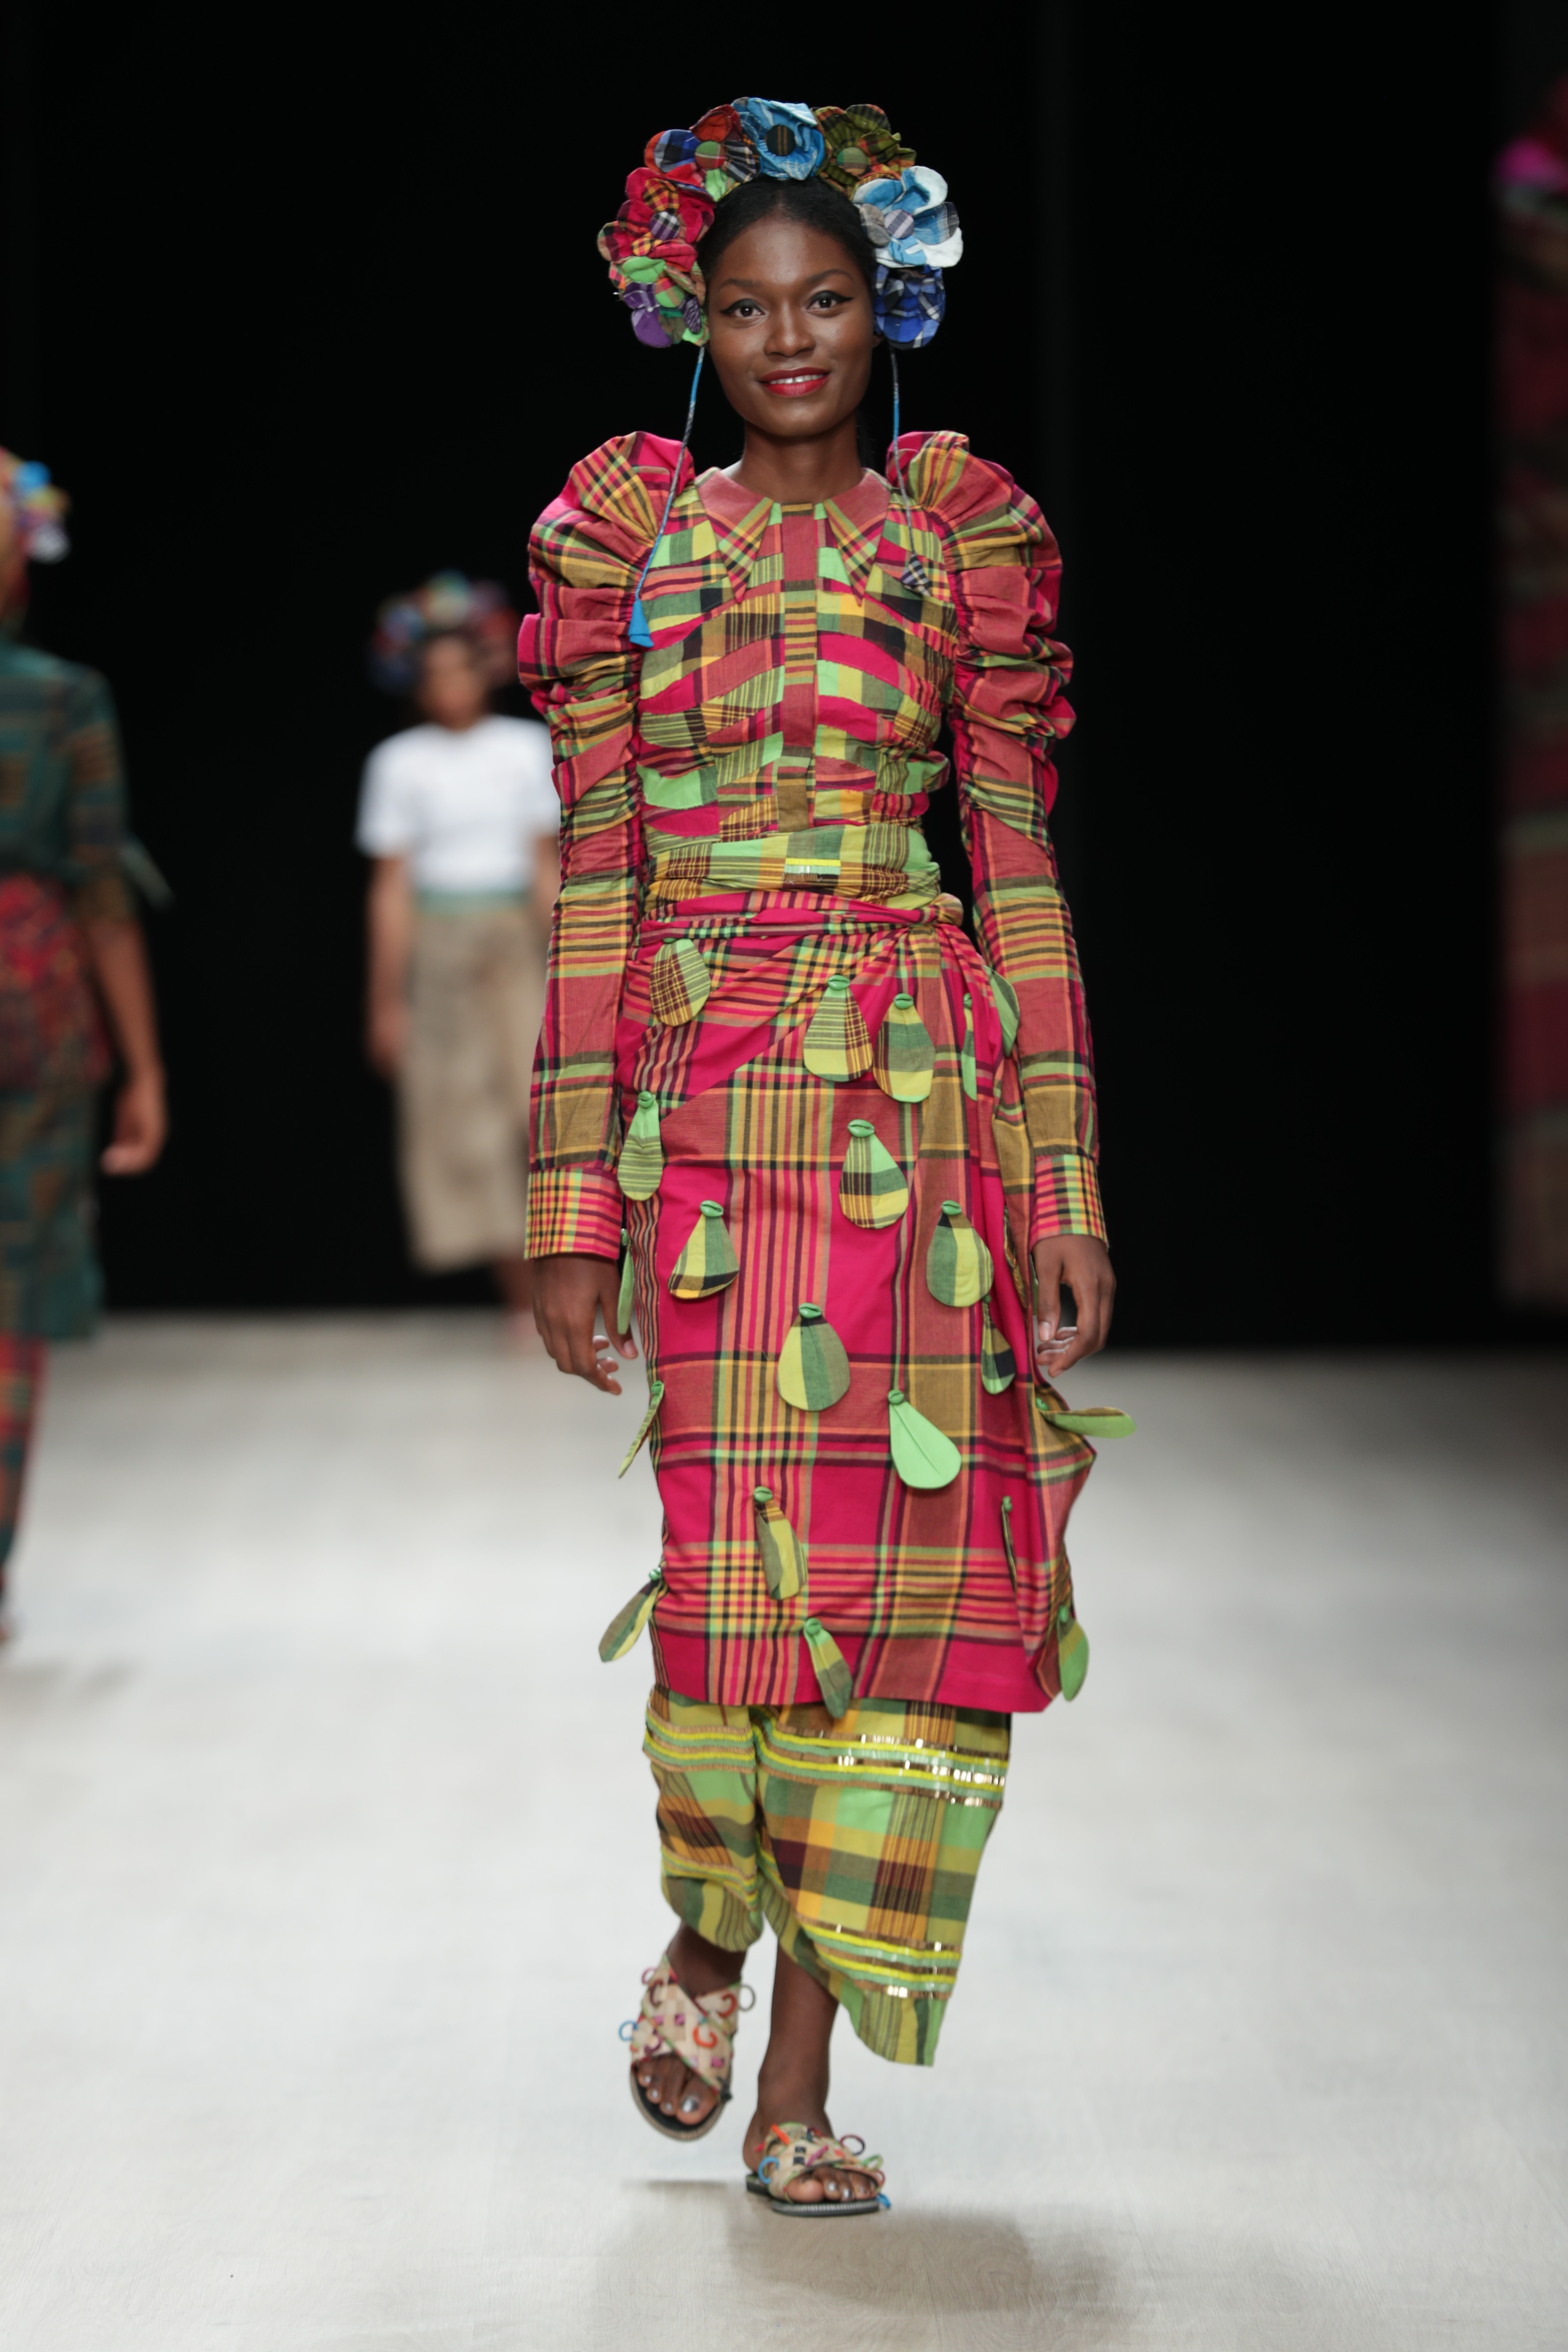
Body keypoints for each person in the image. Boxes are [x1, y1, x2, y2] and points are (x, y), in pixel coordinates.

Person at [521, 100, 1128, 2212]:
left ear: (887, 315)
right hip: (707, 1112)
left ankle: (793, 2086)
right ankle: (703, 1929)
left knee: (908, 1593)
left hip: (922, 1116)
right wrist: (568, 1201)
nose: (788, 342)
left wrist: (1063, 1186)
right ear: (690, 322)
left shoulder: (955, 542)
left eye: (826, 304)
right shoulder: (626, 550)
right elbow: (595, 887)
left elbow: (1019, 875)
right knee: (730, 1583)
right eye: (747, 309)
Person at [0, 451, 167, 1639]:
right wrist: (144, 1066)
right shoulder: (61, 700)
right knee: (9, 1296)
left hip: (35, 1001)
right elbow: (102, 891)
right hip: (33, 994)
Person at [359, 575, 559, 1326]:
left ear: (487, 669)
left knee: (541, 1110)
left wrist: (575, 967)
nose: (449, 685)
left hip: (515, 938)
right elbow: (391, 889)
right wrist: (386, 1000)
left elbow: (544, 867)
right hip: (440, 943)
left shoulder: (525, 748)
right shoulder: (399, 763)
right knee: (464, 1122)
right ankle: (522, 1301)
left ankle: (579, 1289)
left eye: (461, 668)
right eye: (433, 672)